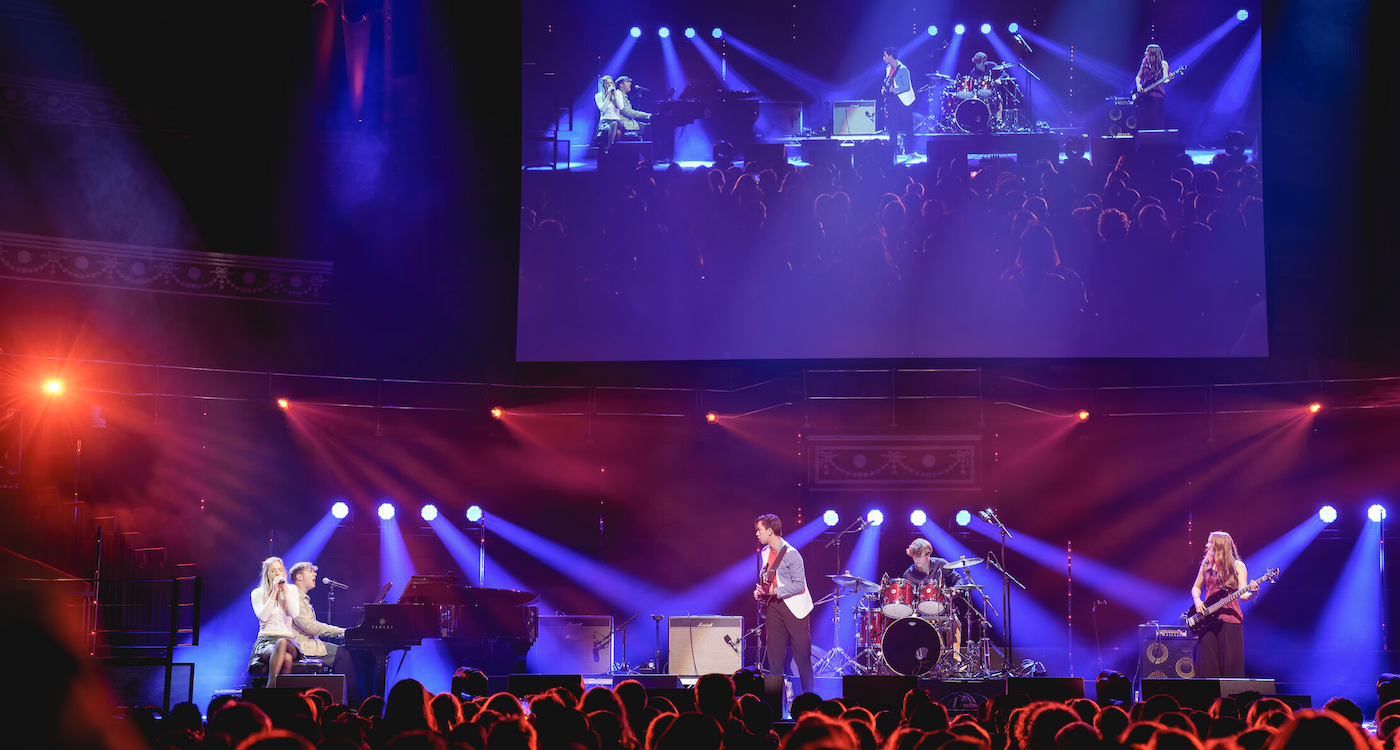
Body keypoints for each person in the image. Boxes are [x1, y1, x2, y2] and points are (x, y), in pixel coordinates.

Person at [753, 513, 815, 695]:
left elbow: (799, 585)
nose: (757, 533)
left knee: (802, 655)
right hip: (774, 606)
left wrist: (773, 591)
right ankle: (774, 698)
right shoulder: (765, 552)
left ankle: (809, 697)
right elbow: (768, 579)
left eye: (759, 530)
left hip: (795, 607)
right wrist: (762, 592)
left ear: (769, 531)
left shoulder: (792, 554)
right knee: (774, 655)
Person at [287, 561, 359, 706]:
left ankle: (344, 701)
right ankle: (348, 704)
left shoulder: (301, 598)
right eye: (310, 571)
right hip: (301, 647)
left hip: (308, 643)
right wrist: (340, 631)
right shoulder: (294, 597)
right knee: (342, 654)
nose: (315, 574)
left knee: (342, 653)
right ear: (299, 577)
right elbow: (309, 626)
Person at [1190, 531, 1259, 677]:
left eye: (1210, 543)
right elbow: (1196, 587)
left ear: (1220, 546)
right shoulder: (1206, 565)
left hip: (1230, 621)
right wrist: (1197, 601)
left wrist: (1253, 593)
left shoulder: (1238, 566)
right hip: (1207, 620)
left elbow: (1243, 595)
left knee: (1230, 669)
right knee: (1208, 669)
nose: (1207, 545)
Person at [902, 538, 963, 665]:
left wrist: (954, 590)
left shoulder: (941, 564)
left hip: (943, 611)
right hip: (922, 615)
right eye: (914, 556)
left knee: (955, 621)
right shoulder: (908, 575)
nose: (916, 559)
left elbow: (959, 579)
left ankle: (955, 659)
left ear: (928, 554)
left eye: (919, 556)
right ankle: (928, 661)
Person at [248, 556, 300, 687]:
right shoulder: (257, 593)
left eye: (280, 570)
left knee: (282, 642)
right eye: (273, 570)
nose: (277, 573)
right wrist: (274, 592)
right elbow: (263, 617)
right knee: (287, 658)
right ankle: (283, 695)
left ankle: (269, 687)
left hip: (287, 640)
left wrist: (285, 590)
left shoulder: (292, 589)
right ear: (267, 574)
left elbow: (294, 614)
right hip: (266, 641)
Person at [880, 47, 914, 154]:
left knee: (908, 126)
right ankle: (892, 151)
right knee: (892, 126)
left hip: (905, 100)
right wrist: (884, 88)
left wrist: (893, 90)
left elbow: (906, 87)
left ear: (890, 57)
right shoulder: (888, 68)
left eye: (885, 55)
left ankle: (911, 151)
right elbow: (887, 80)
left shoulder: (903, 69)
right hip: (893, 99)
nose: (883, 58)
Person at [1134, 44, 1170, 130]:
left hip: (1157, 95)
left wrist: (1168, 79)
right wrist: (1138, 85)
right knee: (1143, 119)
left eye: (1147, 51)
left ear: (1153, 53)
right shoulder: (1145, 61)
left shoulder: (1163, 64)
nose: (1145, 53)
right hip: (1144, 95)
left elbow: (1165, 79)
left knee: (1156, 120)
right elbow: (1138, 76)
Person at [595, 75, 622, 152]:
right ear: (603, 85)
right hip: (605, 121)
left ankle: (609, 149)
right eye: (607, 83)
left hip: (617, 121)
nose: (610, 85)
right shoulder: (598, 96)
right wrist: (608, 96)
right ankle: (613, 151)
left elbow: (621, 107)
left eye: (611, 83)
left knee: (615, 124)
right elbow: (602, 109)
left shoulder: (618, 93)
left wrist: (615, 96)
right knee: (618, 133)